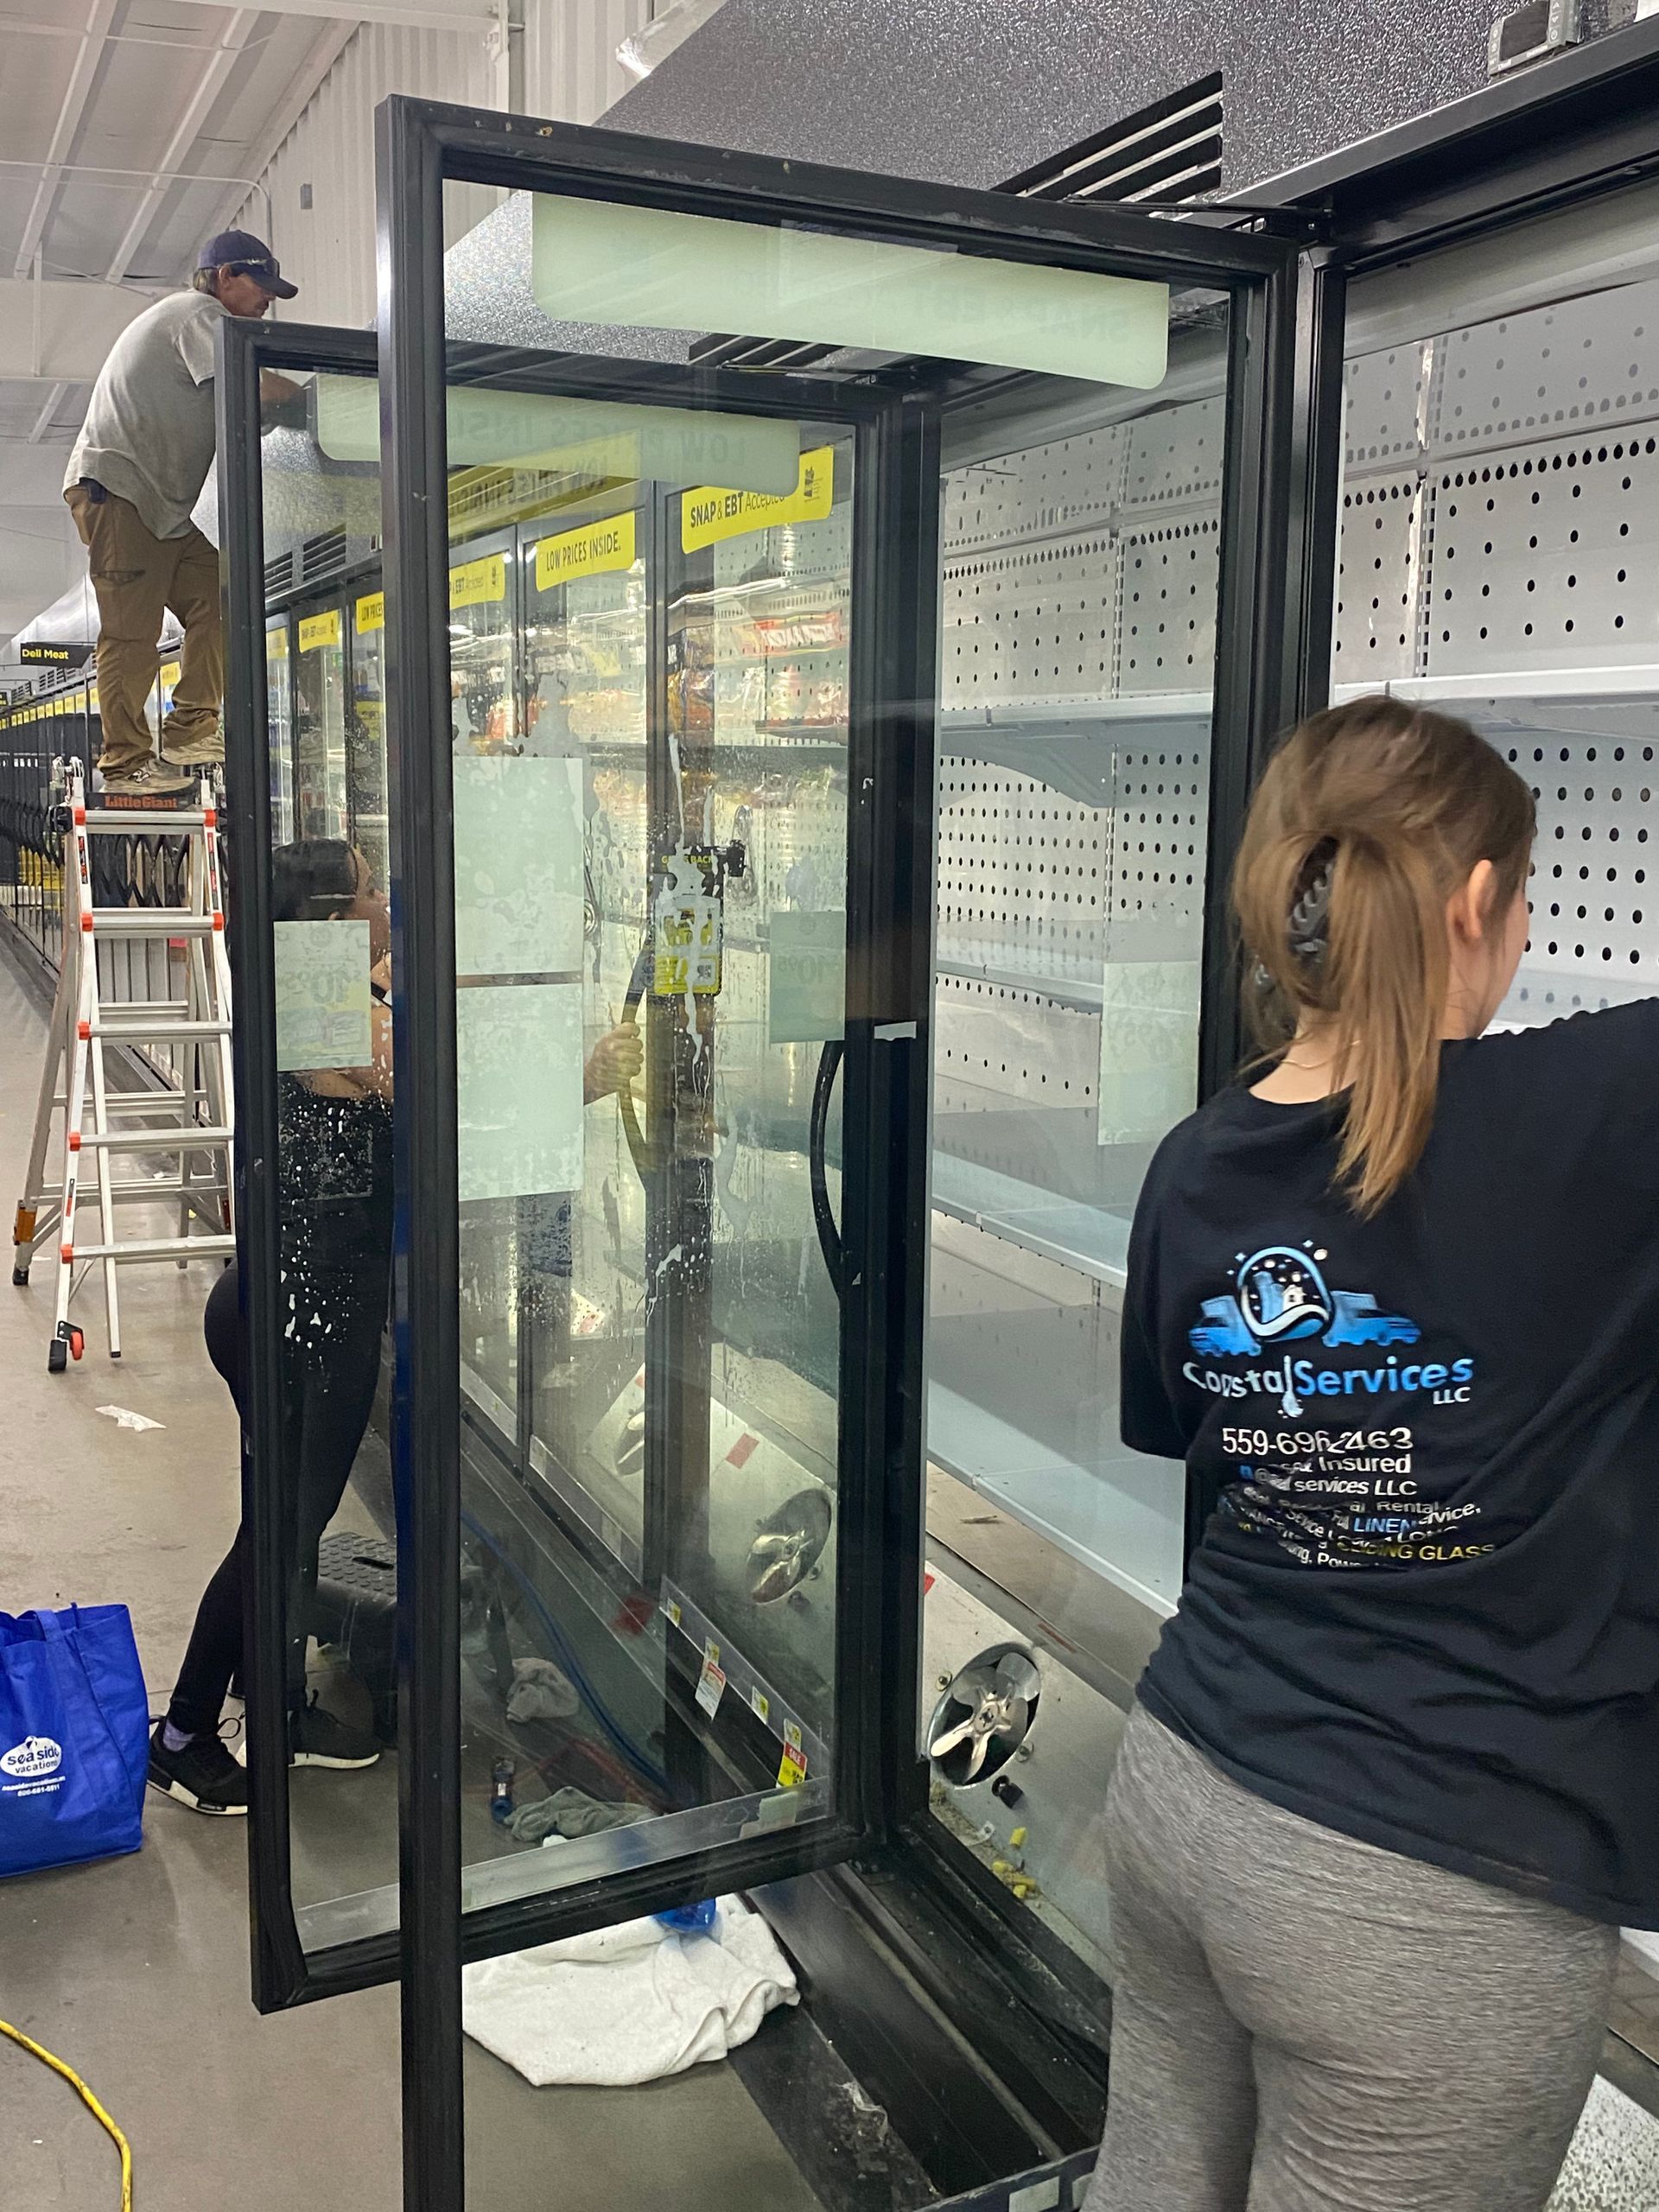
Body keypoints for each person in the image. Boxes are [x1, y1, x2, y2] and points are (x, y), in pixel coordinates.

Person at [1086, 696, 1658, 2212]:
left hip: (1184, 1787)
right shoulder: (1591, 1119)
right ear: (1477, 902)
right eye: (1523, 901)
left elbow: (1192, 1433)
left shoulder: (1196, 1163)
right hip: (1432, 1883)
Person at [149, 840, 647, 1815]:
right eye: (375, 887)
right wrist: (578, 1076)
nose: (390, 899)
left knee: (290, 1525)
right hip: (298, 1317)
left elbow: (419, 1006)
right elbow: (449, 1113)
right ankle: (185, 1733)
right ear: (335, 919)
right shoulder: (325, 1015)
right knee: (281, 1531)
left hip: (297, 1307)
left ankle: (277, 1702)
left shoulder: (332, 994)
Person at [63, 228, 301, 798]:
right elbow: (258, 389)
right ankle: (125, 763)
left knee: (224, 594)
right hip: (121, 492)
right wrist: (321, 401)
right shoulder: (199, 314)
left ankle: (192, 728)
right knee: (131, 634)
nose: (267, 299)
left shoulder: (207, 336)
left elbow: (243, 409)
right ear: (225, 278)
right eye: (260, 285)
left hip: (162, 512)